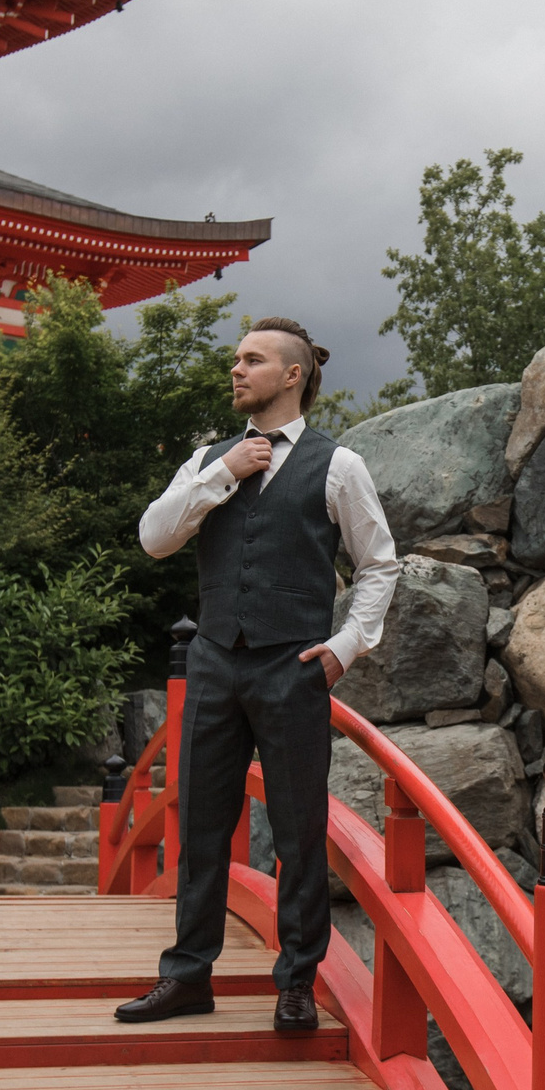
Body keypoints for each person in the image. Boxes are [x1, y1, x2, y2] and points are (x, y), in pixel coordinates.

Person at [114, 317, 399, 1031]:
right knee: (203, 825)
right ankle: (187, 977)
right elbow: (154, 539)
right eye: (236, 359)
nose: (237, 370)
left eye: (253, 360)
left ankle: (296, 982)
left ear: (293, 375)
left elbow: (379, 565)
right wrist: (223, 475)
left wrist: (345, 647)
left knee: (299, 830)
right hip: (214, 662)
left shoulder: (339, 466)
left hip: (294, 667)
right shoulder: (208, 458)